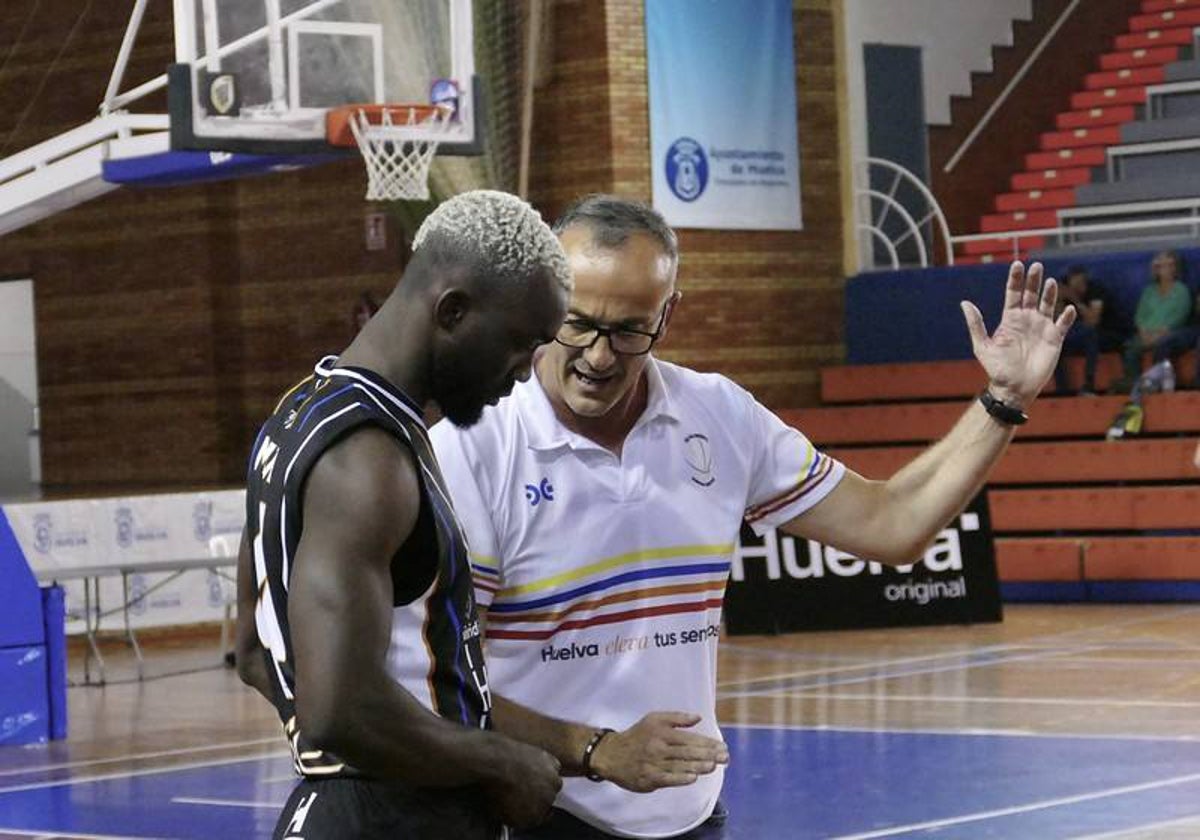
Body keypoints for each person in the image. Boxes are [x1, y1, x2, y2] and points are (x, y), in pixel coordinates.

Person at [429, 195, 1074, 839]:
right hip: (542, 817)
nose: (599, 357)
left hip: (692, 813)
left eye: (629, 330)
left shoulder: (720, 417)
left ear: (668, 313)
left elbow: (892, 523)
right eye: (578, 324)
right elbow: (440, 684)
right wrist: (594, 749)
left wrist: (1004, 400)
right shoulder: (476, 447)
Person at [234, 190, 573, 840]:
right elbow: (337, 709)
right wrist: (502, 761)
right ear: (452, 311)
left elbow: (254, 649)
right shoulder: (369, 461)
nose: (527, 374)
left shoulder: (298, 414)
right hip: (393, 817)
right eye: (521, 342)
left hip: (357, 809)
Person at [1117, 250, 1193, 391]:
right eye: (1161, 265)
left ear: (1175, 268)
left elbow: (1180, 315)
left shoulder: (1181, 291)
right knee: (1130, 349)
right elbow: (1140, 315)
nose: (1165, 269)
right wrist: (1143, 332)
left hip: (1168, 333)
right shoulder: (1149, 291)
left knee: (1163, 345)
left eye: (1169, 265)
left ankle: (1155, 384)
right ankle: (1135, 385)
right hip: (1146, 333)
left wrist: (1161, 333)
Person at [1052, 266, 1126, 395]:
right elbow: (1057, 323)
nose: (1074, 283)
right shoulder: (1064, 288)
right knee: (1054, 341)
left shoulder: (1096, 290)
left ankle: (1089, 384)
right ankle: (1062, 389)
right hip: (1080, 335)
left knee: (1090, 335)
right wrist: (1058, 300)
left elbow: (1093, 322)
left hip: (1108, 333)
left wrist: (1075, 300)